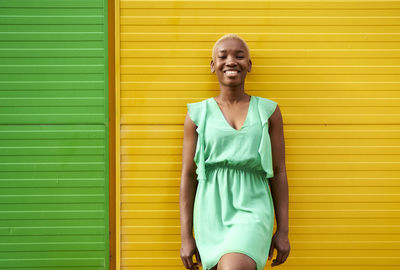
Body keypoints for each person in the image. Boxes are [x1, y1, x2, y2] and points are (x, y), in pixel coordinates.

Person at [180, 33, 290, 270]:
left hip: (254, 208)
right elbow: (189, 175)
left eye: (239, 56)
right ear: (213, 65)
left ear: (249, 65)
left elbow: (279, 172)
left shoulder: (268, 112)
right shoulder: (197, 115)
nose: (231, 61)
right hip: (210, 211)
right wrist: (186, 236)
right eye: (223, 56)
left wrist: (283, 230)